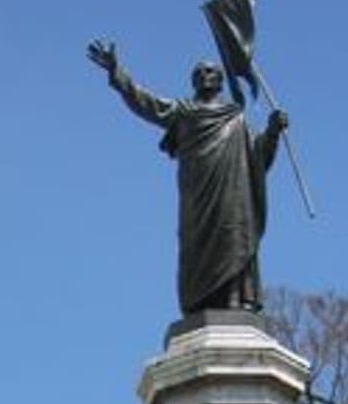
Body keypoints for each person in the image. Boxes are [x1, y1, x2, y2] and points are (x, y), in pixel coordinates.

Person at [88, 40, 288, 315]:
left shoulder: (236, 119)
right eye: (200, 73)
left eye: (211, 71)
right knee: (197, 247)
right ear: (194, 81)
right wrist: (118, 74)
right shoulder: (183, 112)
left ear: (220, 80)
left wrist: (273, 131)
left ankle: (233, 299)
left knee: (233, 237)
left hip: (232, 192)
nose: (205, 75)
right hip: (198, 194)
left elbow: (257, 159)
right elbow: (146, 103)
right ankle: (201, 303)